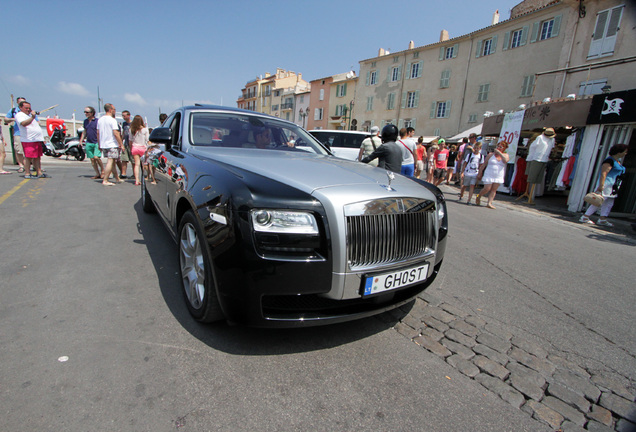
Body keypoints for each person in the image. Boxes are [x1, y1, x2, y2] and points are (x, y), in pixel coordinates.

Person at [579, 144, 628, 227]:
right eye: (624, 152)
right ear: (619, 152)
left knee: (609, 203)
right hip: (607, 184)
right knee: (599, 201)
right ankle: (585, 216)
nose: (625, 153)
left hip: (613, 186)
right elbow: (604, 173)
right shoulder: (609, 161)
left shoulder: (617, 162)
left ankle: (603, 218)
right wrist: (601, 185)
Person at [15, 101, 48, 178]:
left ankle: (39, 172)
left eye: (29, 108)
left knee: (37, 157)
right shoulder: (20, 115)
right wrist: (32, 117)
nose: (28, 109)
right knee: (28, 157)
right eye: (26, 108)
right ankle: (27, 173)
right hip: (28, 140)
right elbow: (23, 123)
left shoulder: (29, 115)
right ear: (20, 108)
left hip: (36, 139)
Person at [474, 142, 510, 209]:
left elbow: (505, 161)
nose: (498, 148)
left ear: (504, 148)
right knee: (487, 188)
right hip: (489, 173)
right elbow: (484, 164)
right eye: (498, 146)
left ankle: (489, 203)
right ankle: (479, 196)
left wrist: (499, 153)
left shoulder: (505, 155)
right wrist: (480, 172)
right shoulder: (490, 155)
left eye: (500, 147)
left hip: (498, 175)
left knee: (493, 189)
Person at [97, 103, 124, 186]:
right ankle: (105, 179)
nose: (115, 111)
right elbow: (116, 133)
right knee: (110, 161)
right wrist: (121, 144)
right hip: (111, 143)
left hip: (104, 143)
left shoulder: (100, 120)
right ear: (110, 110)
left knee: (112, 162)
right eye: (114, 109)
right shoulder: (112, 120)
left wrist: (99, 144)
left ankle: (117, 178)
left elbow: (98, 133)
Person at [79, 106, 103, 179]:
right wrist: (81, 140)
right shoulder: (85, 121)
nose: (85, 113)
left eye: (87, 112)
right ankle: (97, 173)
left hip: (96, 141)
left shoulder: (97, 121)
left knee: (97, 157)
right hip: (89, 142)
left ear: (92, 113)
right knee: (92, 159)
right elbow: (85, 131)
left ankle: (103, 170)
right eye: (85, 112)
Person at [4, 96, 27, 173]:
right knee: (19, 150)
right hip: (18, 133)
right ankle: (21, 166)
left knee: (28, 151)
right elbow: (6, 119)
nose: (22, 104)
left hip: (28, 134)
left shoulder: (28, 111)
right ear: (17, 103)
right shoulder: (14, 111)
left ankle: (30, 165)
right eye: (20, 102)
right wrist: (14, 119)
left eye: (24, 102)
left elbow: (37, 121)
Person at [130, 115, 149, 186]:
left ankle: (137, 180)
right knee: (145, 164)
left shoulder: (131, 129)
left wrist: (130, 148)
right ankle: (146, 177)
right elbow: (147, 140)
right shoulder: (145, 129)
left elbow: (130, 140)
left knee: (137, 164)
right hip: (143, 148)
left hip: (135, 147)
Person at [118, 110, 132, 178]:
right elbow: (123, 133)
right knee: (124, 159)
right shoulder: (124, 124)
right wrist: (121, 142)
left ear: (128, 115)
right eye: (122, 116)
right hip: (125, 143)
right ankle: (123, 173)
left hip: (131, 144)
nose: (123, 117)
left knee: (133, 160)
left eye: (124, 115)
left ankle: (135, 174)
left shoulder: (132, 124)